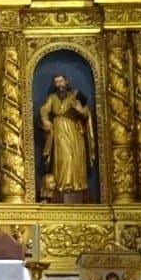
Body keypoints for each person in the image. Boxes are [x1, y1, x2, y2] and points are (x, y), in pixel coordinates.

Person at [38, 72, 95, 201]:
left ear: (66, 82)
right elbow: (44, 110)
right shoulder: (52, 98)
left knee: (76, 157)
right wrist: (45, 120)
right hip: (59, 131)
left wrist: (81, 110)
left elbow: (86, 113)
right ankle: (63, 185)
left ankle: (77, 185)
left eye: (61, 81)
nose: (59, 84)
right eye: (57, 82)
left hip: (75, 130)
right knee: (65, 157)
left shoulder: (75, 95)